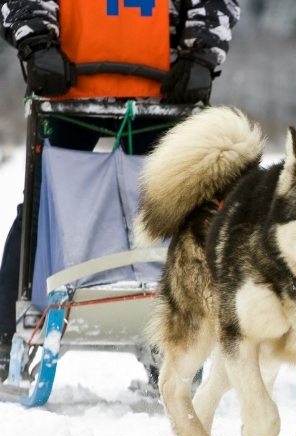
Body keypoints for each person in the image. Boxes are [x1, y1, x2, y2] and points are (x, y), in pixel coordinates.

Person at [0, 0, 241, 380]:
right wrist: (39, 43)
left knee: (172, 208)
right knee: (43, 206)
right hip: (69, 85)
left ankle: (179, 332)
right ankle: (8, 334)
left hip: (163, 90)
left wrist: (200, 55)